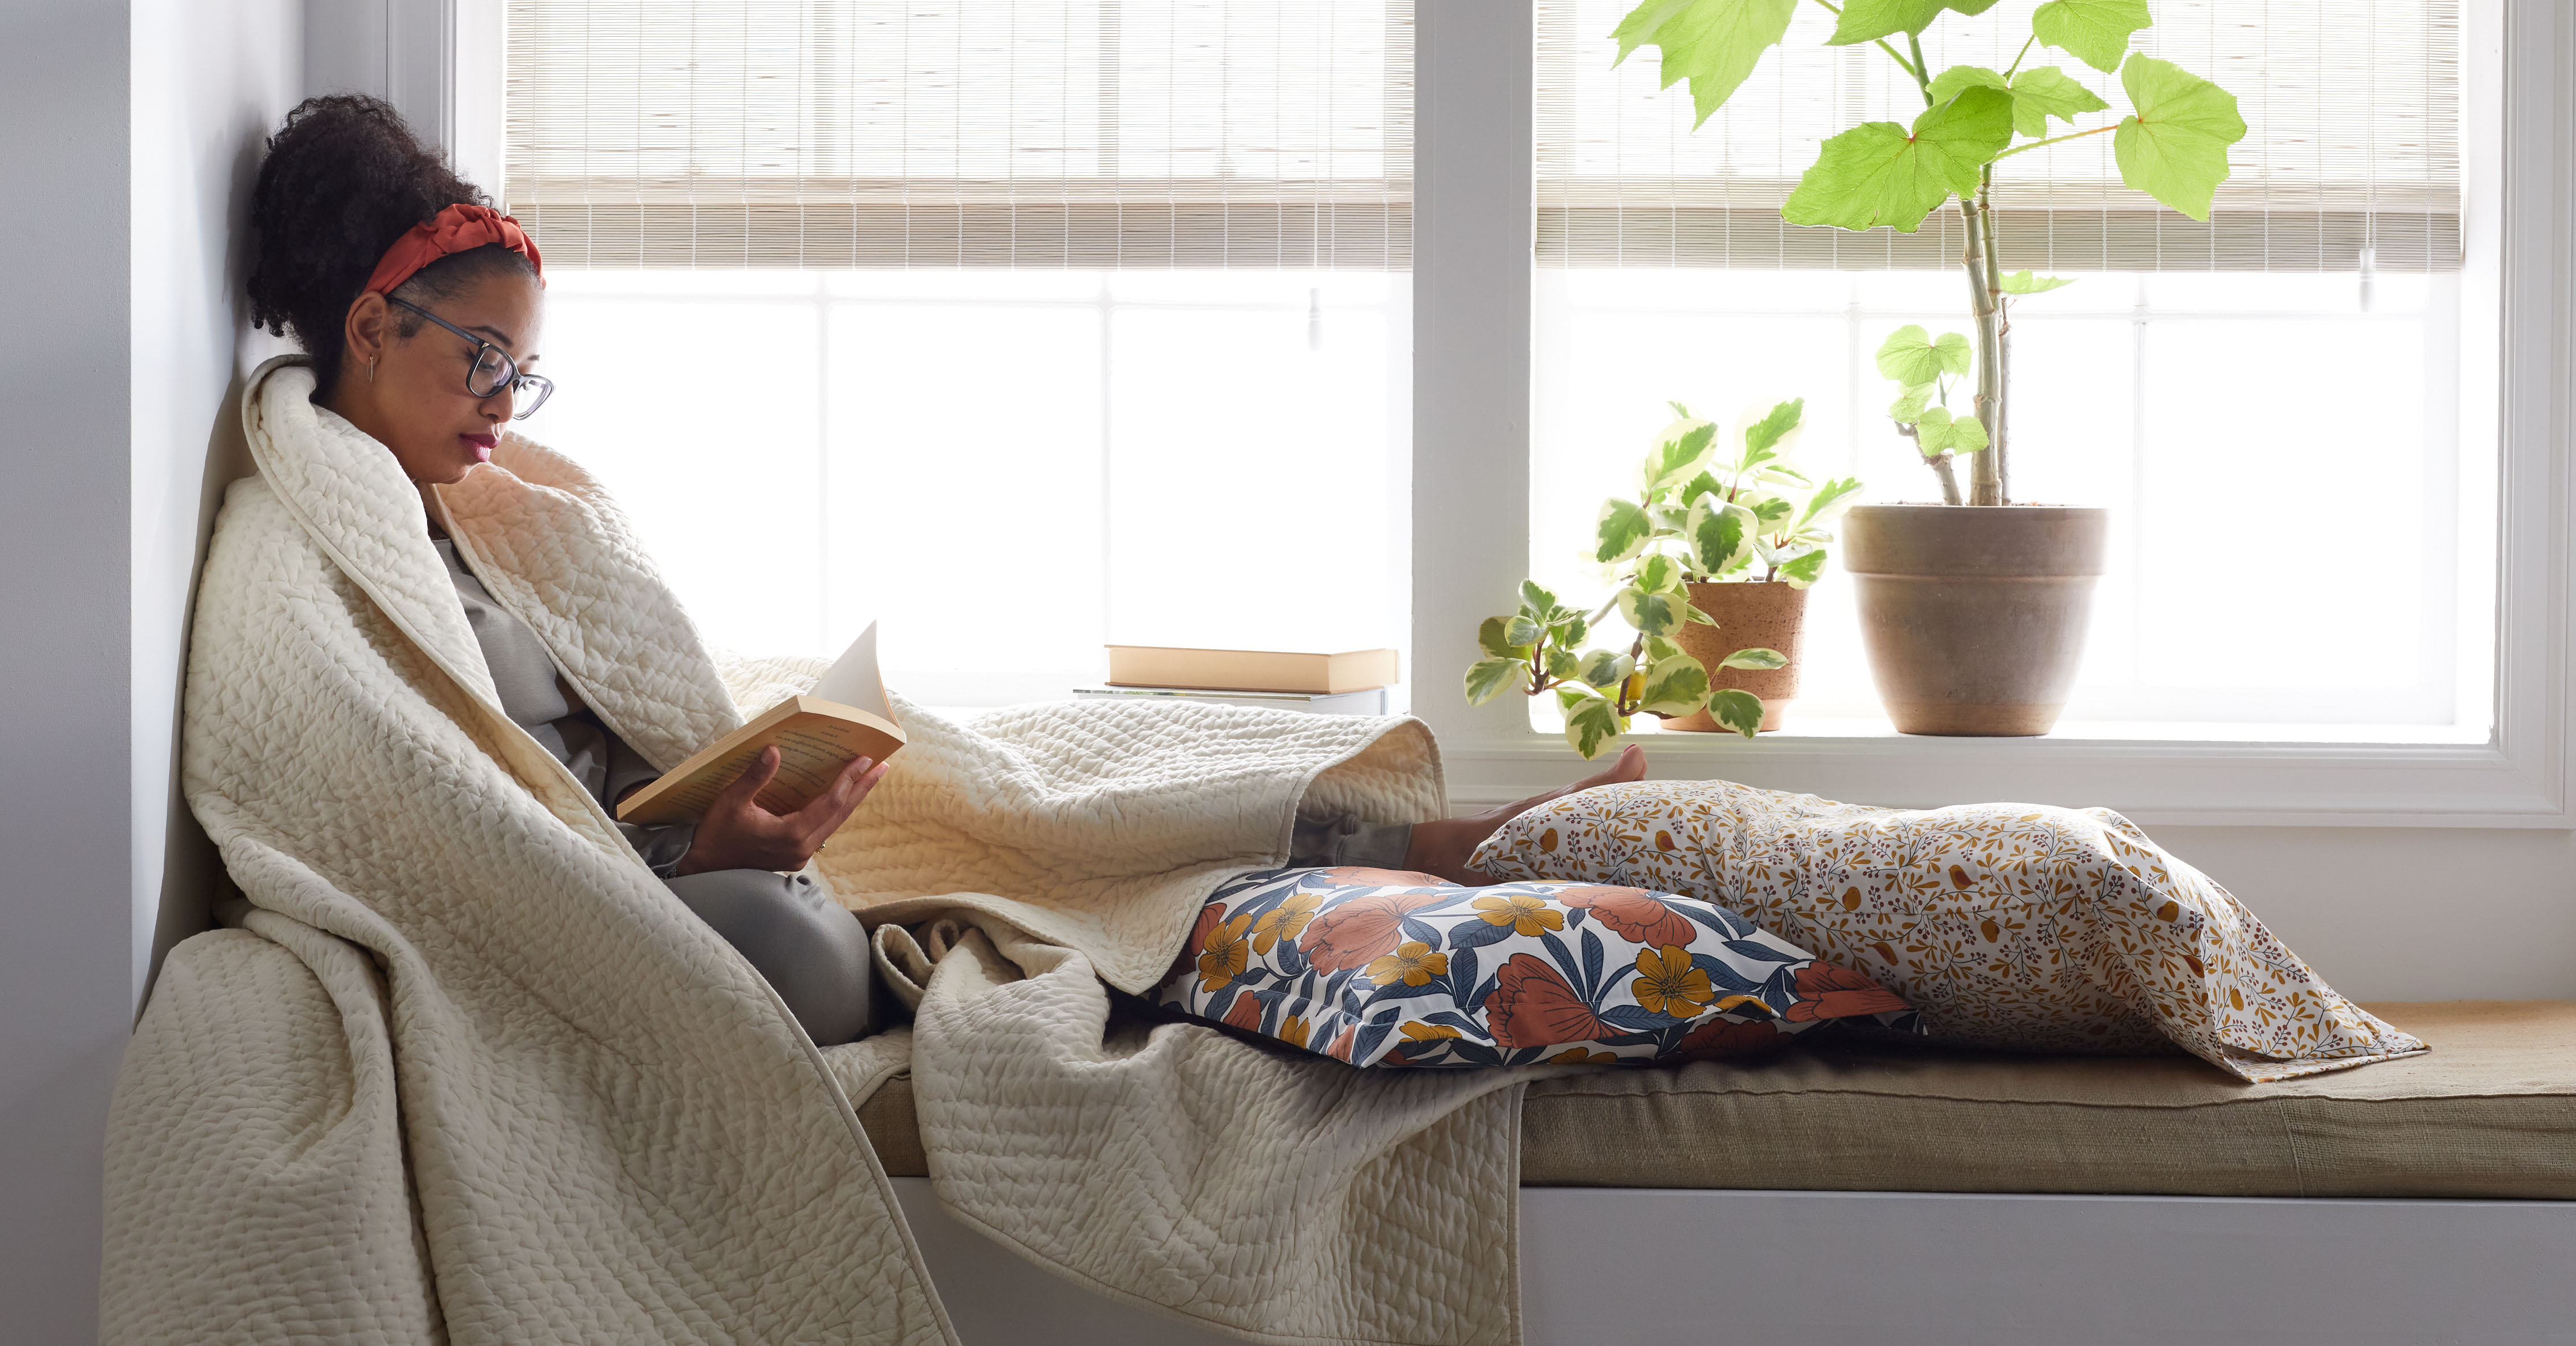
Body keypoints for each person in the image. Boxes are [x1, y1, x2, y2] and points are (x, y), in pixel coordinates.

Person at [239, 94, 1644, 1044]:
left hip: (709, 808)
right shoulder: (312, 552)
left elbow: (634, 695)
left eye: (524, 374)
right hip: (652, 894)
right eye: (483, 360)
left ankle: (1455, 839)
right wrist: (702, 861)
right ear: (370, 326)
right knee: (1008, 870)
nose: (502, 401)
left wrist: (738, 780)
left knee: (1050, 772)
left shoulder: (471, 505)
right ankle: (1435, 866)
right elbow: (463, 852)